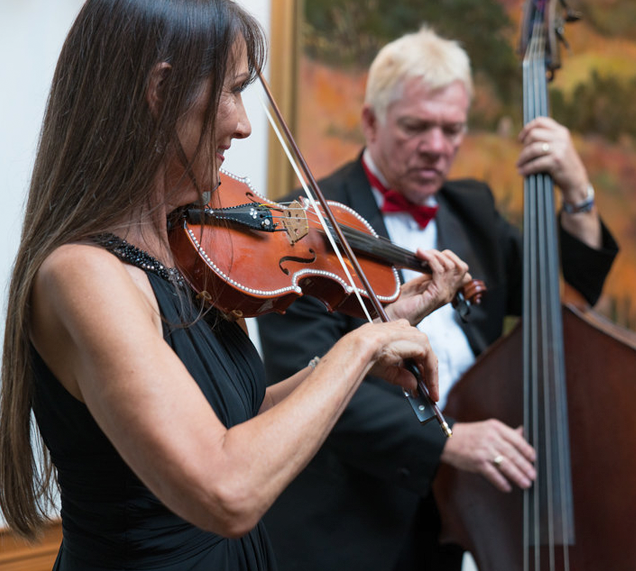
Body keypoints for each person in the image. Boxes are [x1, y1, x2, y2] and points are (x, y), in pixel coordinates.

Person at [0, 3, 470, 569]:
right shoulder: (83, 275)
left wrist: (379, 335)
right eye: (232, 91)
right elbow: (227, 491)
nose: (244, 123)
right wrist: (359, 345)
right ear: (161, 89)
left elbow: (239, 419)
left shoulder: (185, 247)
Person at [258, 28, 620, 571]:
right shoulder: (307, 226)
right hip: (346, 524)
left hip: (455, 519)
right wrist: (447, 441)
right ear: (371, 122)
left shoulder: (472, 211)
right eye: (415, 126)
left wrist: (578, 191)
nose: (437, 146)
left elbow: (570, 294)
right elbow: (313, 386)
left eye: (452, 129)